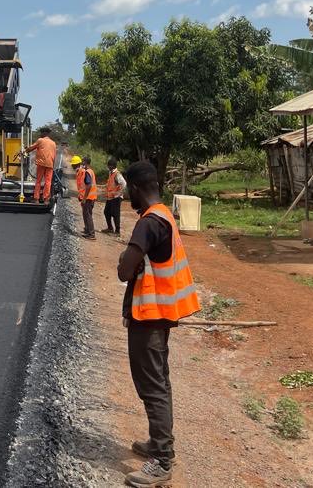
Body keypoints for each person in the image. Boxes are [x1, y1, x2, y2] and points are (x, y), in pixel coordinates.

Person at [118, 160, 200, 486]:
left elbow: (124, 270)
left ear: (137, 187)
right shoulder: (165, 215)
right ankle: (159, 443)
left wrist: (127, 264)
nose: (127, 194)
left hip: (149, 317)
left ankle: (162, 460)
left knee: (152, 387)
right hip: (162, 315)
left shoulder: (148, 223)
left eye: (128, 189)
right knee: (160, 383)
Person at [23, 128, 57, 203]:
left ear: (44, 133)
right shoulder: (53, 143)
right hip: (50, 165)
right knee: (48, 182)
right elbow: (54, 156)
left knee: (38, 181)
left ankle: (36, 198)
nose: (40, 134)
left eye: (41, 133)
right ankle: (46, 199)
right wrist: (52, 165)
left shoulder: (40, 140)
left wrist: (25, 150)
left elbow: (31, 148)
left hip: (41, 164)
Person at [75, 155, 98, 239]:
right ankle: (88, 231)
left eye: (83, 161)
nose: (82, 163)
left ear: (86, 162)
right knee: (87, 214)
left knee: (88, 215)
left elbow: (88, 186)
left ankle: (91, 234)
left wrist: (84, 198)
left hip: (88, 198)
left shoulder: (87, 172)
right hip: (91, 197)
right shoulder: (90, 171)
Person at [103, 158, 127, 236]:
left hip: (116, 197)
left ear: (112, 166)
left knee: (115, 214)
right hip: (111, 197)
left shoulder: (117, 174)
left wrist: (118, 193)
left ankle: (117, 231)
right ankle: (110, 228)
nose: (108, 167)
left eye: (109, 165)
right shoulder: (111, 173)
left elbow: (124, 184)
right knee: (107, 212)